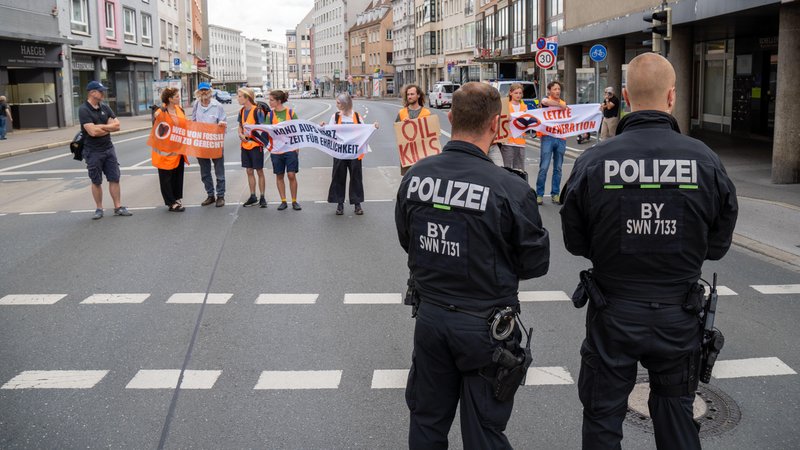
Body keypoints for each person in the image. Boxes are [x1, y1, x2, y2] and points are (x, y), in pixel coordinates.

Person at [559, 53, 738, 450]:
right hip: (679, 314)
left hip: (613, 313)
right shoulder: (705, 161)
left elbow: (575, 241)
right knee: (676, 414)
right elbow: (718, 245)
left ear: (625, 96)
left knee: (603, 416)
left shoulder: (595, 160)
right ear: (671, 96)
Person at [396, 82, 550, 449]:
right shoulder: (510, 189)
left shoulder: (416, 177)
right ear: (498, 126)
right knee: (484, 432)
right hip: (487, 328)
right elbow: (535, 263)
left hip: (431, 320)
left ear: (450, 118)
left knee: (427, 424)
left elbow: (409, 241)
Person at [78, 81, 132, 219]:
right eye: (100, 91)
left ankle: (118, 207)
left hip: (108, 148)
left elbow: (117, 126)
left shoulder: (105, 107)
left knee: (114, 178)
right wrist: (107, 127)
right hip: (92, 150)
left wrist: (100, 127)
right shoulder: (84, 109)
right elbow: (92, 132)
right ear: (92, 93)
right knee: (96, 180)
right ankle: (99, 208)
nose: (103, 93)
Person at [323, 92, 379, 216]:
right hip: (340, 153)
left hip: (354, 153)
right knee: (338, 177)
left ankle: (357, 204)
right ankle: (340, 204)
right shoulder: (335, 117)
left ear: (345, 104)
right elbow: (330, 132)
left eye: (338, 102)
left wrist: (373, 127)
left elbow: (364, 131)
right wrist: (324, 127)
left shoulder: (357, 117)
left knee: (356, 178)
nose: (336, 105)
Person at [152, 87, 189, 212]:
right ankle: (171, 202)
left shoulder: (180, 109)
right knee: (166, 178)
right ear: (170, 99)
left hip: (178, 150)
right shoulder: (161, 111)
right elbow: (157, 128)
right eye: (177, 96)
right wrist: (157, 113)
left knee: (178, 175)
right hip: (165, 151)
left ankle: (177, 198)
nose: (179, 98)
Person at [192, 82, 227, 207]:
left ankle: (221, 196)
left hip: (215, 144)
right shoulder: (196, 105)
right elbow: (193, 122)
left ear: (210, 91)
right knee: (205, 172)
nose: (204, 92)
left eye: (206, 90)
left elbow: (223, 122)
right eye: (201, 90)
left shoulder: (217, 106)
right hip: (202, 144)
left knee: (219, 171)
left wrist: (222, 125)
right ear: (198, 92)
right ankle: (210, 195)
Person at [266, 90, 301, 211]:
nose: (269, 102)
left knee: (291, 175)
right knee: (279, 175)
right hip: (276, 150)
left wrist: (297, 146)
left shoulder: (290, 113)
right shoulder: (269, 115)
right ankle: (283, 201)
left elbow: (298, 129)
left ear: (278, 101)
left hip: (290, 148)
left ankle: (295, 201)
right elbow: (266, 130)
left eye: (271, 100)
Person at [237, 87, 268, 208]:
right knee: (249, 171)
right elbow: (240, 125)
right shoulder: (241, 111)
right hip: (245, 144)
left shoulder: (257, 111)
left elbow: (264, 127)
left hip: (255, 144)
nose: (237, 99)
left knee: (259, 171)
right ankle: (253, 195)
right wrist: (240, 134)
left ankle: (262, 196)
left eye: (239, 96)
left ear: (247, 97)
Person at [395, 84, 431, 176]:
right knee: (407, 180)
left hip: (423, 154)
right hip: (407, 154)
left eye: (412, 94)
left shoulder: (427, 113)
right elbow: (397, 132)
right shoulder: (402, 113)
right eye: (408, 95)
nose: (409, 97)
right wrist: (403, 125)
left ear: (418, 95)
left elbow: (431, 134)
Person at [498, 83, 528, 171]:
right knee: (506, 169)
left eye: (520, 93)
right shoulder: (505, 105)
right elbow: (500, 120)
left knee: (519, 170)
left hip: (520, 142)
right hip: (508, 142)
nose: (518, 95)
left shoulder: (524, 107)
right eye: (516, 93)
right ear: (511, 93)